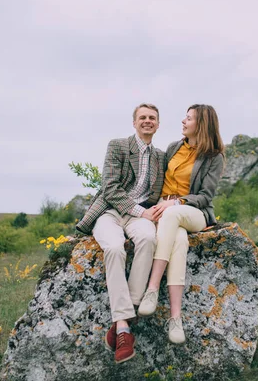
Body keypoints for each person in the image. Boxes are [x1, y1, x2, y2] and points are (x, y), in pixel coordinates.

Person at [75, 103, 165, 363]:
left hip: (141, 216)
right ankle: (124, 327)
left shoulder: (161, 156)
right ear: (134, 123)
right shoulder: (118, 146)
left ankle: (125, 317)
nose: (147, 121)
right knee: (114, 248)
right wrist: (140, 211)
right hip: (111, 212)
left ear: (158, 125)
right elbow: (110, 188)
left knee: (149, 239)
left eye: (152, 118)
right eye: (143, 117)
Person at [137, 104, 225, 344]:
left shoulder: (214, 157)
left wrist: (175, 203)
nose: (183, 122)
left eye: (188, 118)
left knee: (172, 216)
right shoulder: (174, 148)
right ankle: (176, 318)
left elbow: (206, 196)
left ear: (201, 124)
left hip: (193, 212)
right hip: (165, 213)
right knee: (179, 240)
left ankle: (152, 288)